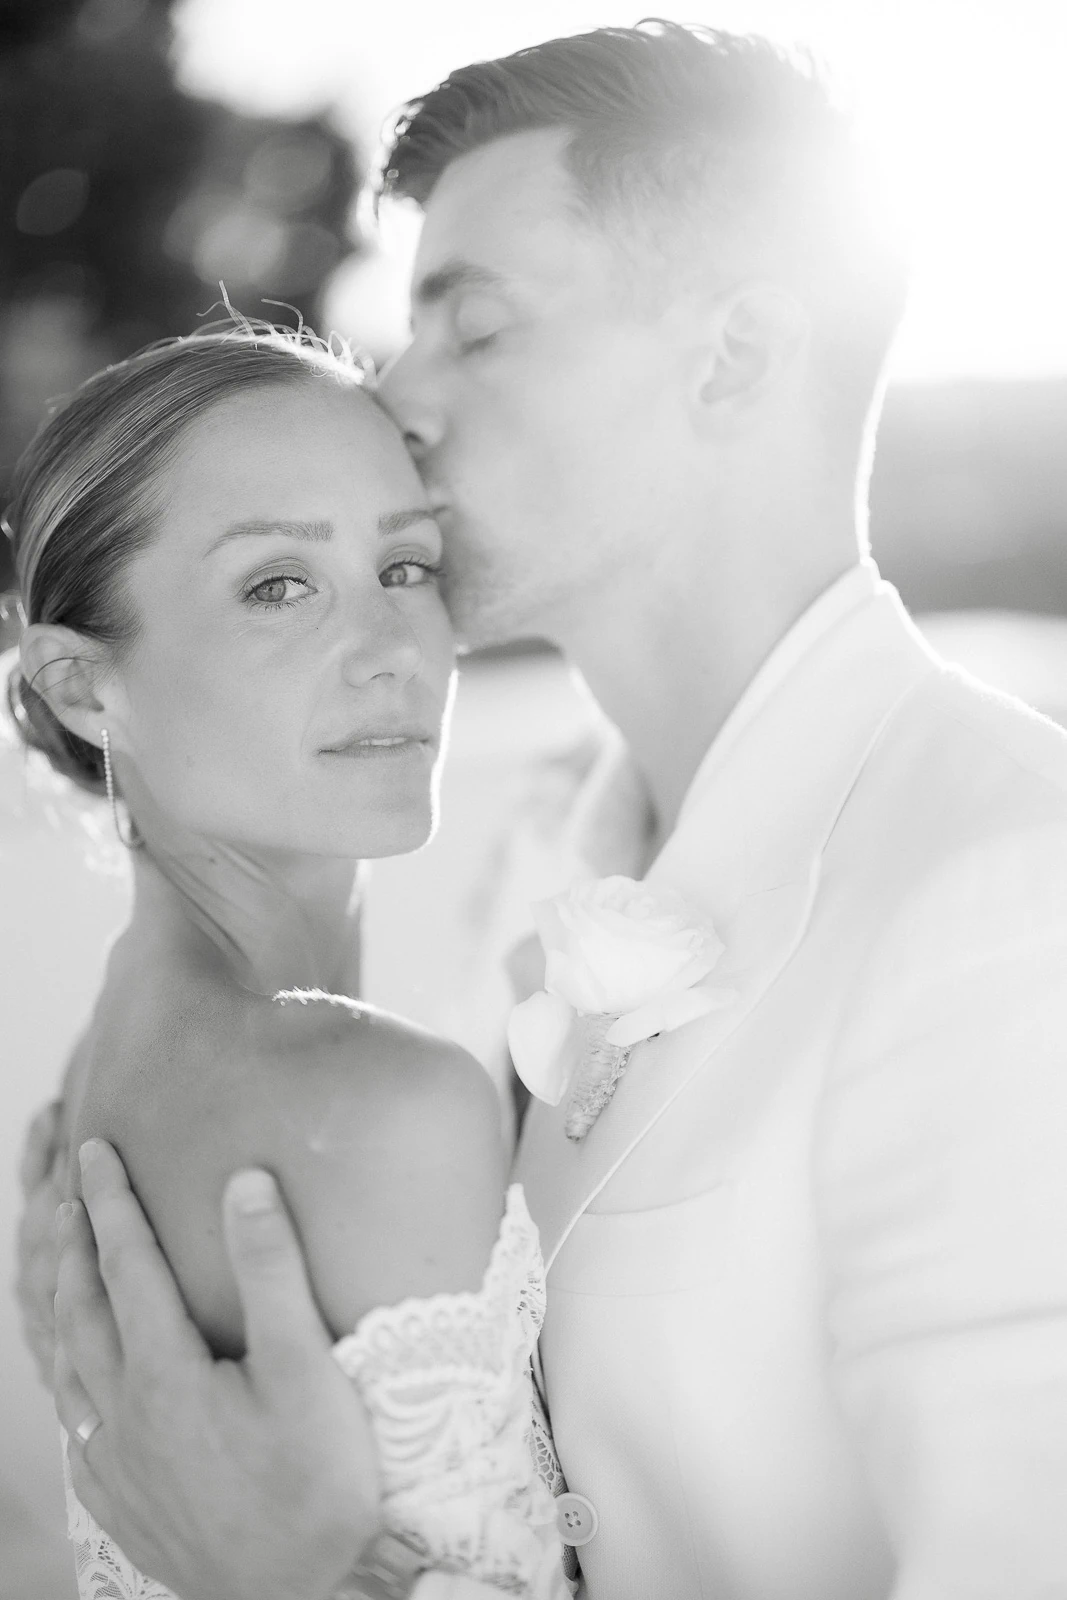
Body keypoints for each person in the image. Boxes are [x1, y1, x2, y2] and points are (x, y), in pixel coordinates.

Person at [19, 19, 1067, 1600]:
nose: (399, 400)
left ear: (729, 354)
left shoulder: (1004, 887)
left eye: (474, 329)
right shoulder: (513, 878)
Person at [6, 325, 568, 1600]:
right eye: (277, 584)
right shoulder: (377, 1108)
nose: (393, 647)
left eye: (405, 562)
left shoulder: (105, 1067)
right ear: (85, 685)